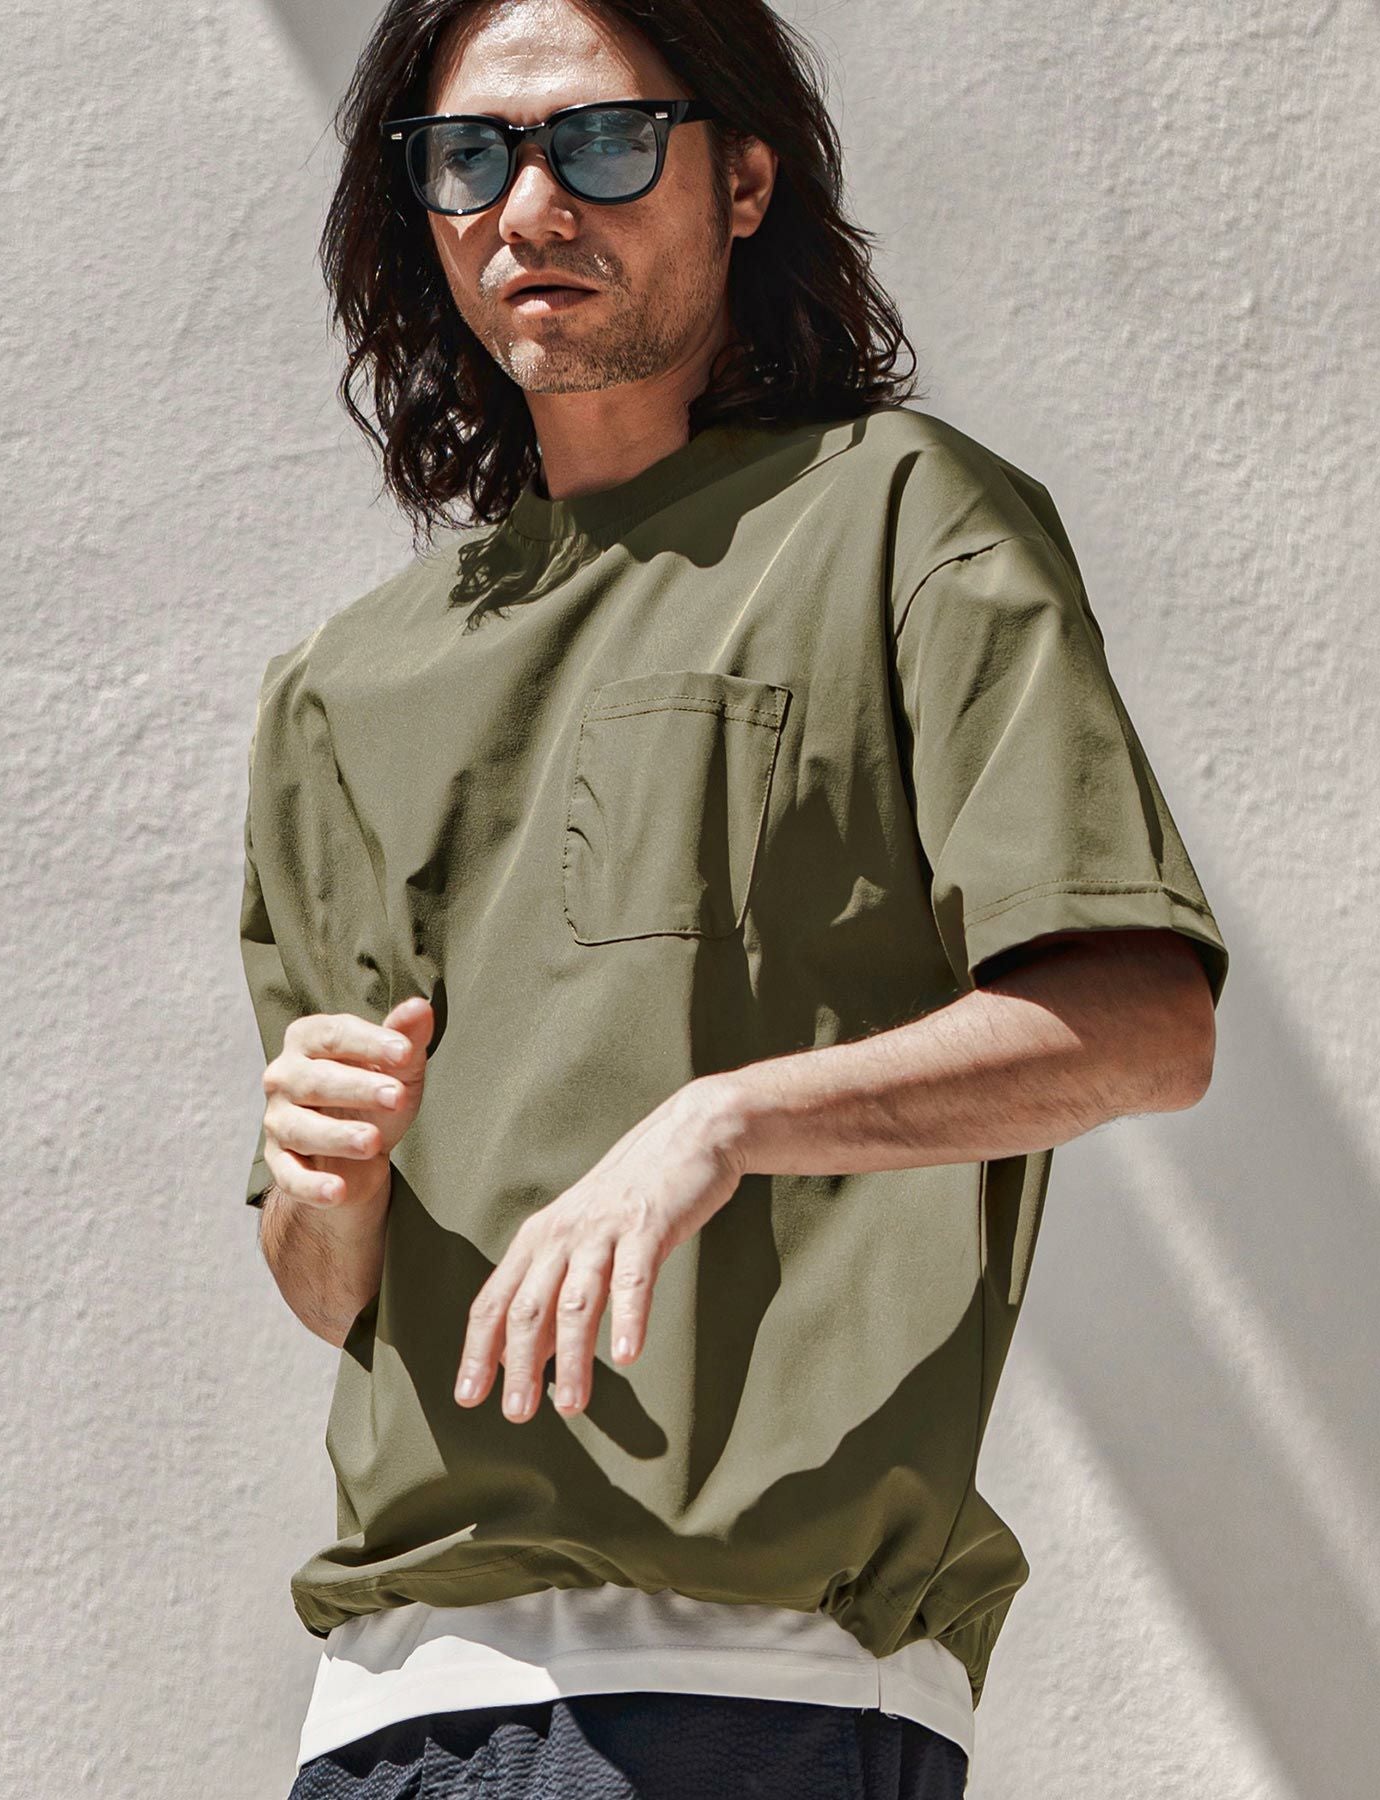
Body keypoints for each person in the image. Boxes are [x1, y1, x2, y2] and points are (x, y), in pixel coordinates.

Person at [237, 0, 1231, 1794]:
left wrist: (723, 1121)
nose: (532, 204)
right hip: (384, 1715)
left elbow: (1144, 1025)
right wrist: (323, 1186)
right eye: (468, 157)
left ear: (745, 180)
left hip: (752, 1697)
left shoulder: (901, 519)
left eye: (603, 140)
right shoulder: (340, 688)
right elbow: (334, 1295)